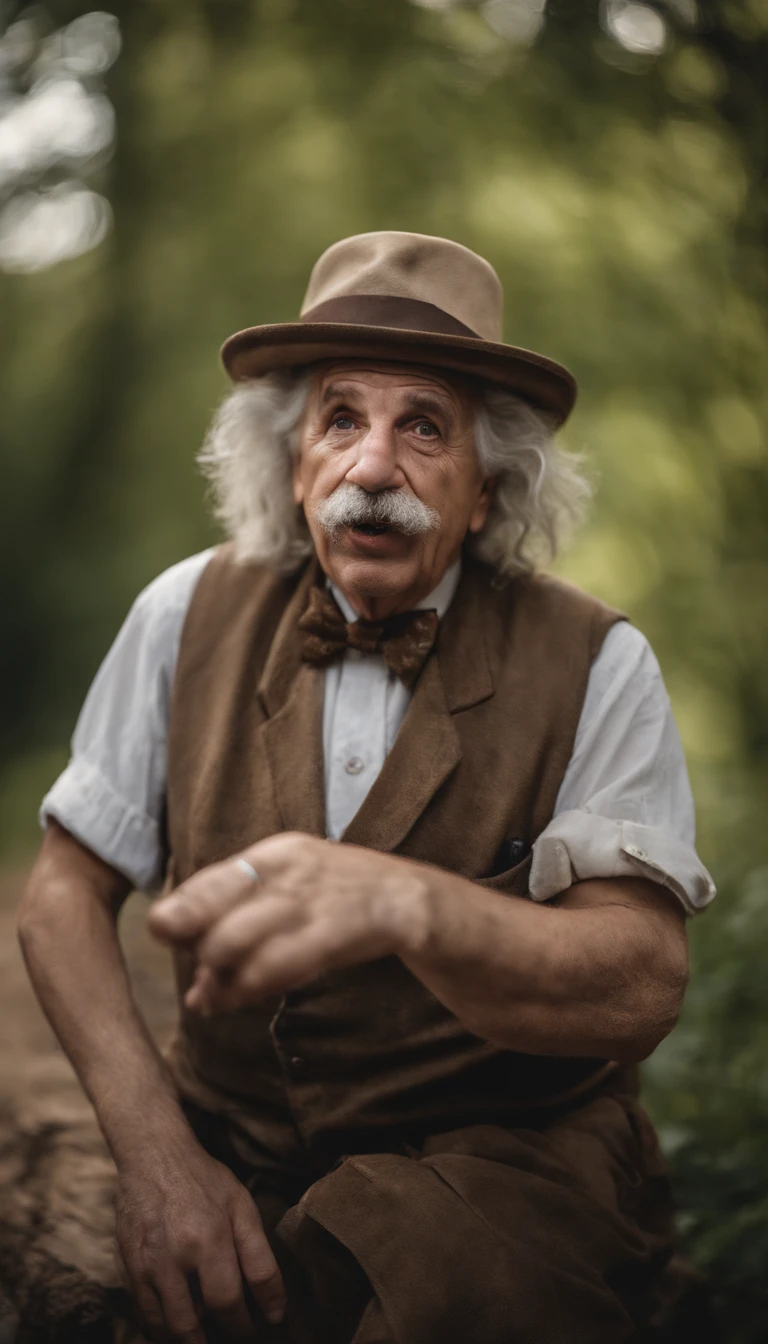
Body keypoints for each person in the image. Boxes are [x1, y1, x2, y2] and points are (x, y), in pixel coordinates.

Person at [19, 231, 716, 1344]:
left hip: (501, 1164)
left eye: (423, 427)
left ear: (487, 490)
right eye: (340, 419)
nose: (373, 468)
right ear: (290, 461)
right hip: (231, 1146)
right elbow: (61, 895)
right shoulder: (182, 613)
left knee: (458, 1298)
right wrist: (157, 1160)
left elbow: (640, 985)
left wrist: (413, 905)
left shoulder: (595, 660)